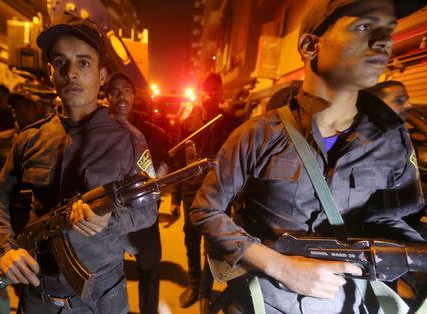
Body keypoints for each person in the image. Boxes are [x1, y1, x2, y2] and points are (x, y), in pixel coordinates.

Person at [190, 0, 426, 313]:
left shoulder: (392, 140)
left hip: (353, 303)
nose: (383, 41)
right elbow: (205, 210)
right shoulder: (259, 134)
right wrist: (280, 267)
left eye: (388, 30)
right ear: (309, 46)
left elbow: (392, 220)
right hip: (267, 302)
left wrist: (410, 253)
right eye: (364, 27)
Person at [0, 13, 158, 313]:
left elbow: (149, 209)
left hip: (101, 299)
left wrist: (111, 219)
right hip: (38, 297)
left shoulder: (130, 141)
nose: (71, 73)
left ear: (102, 76)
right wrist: (5, 249)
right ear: (50, 72)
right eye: (60, 62)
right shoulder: (28, 140)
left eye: (83, 62)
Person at [173, 73, 242, 312]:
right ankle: (194, 285)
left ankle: (204, 292)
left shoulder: (232, 123)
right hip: (192, 189)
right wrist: (175, 198)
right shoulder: (189, 119)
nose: (213, 95)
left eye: (217, 90)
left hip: (221, 192)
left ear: (221, 93)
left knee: (212, 244)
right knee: (190, 238)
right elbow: (180, 162)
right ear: (201, 92)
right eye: (208, 90)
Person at [106, 71, 163, 314]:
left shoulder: (152, 133)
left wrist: (158, 178)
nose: (121, 96)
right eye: (115, 91)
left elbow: (165, 164)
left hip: (144, 218)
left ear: (134, 94)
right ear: (107, 96)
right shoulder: (100, 132)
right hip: (109, 218)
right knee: (107, 277)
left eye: (126, 90)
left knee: (149, 273)